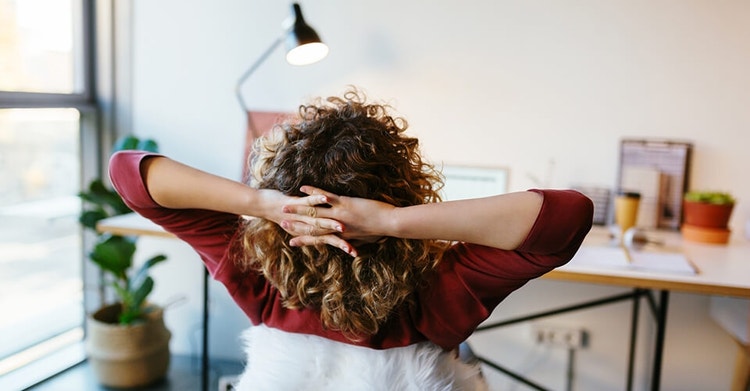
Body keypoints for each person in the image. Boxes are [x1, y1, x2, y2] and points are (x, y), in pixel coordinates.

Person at [109, 88, 593, 390]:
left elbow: (128, 173)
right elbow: (568, 216)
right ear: (404, 189)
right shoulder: (436, 297)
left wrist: (263, 205)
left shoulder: (258, 273)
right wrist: (392, 222)